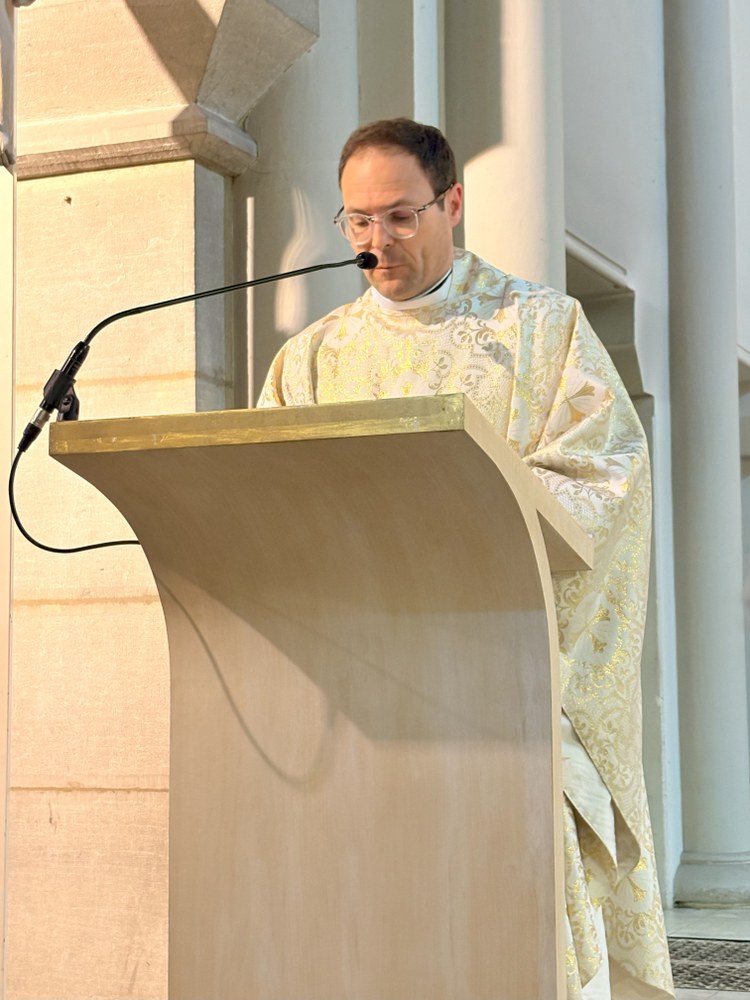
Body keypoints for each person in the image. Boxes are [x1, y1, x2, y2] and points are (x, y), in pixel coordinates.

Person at [258, 117, 674, 1000]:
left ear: (452, 204)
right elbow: (267, 509)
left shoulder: (542, 329)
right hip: (359, 698)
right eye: (358, 220)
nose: (377, 242)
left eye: (400, 216)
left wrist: (460, 525)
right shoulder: (311, 359)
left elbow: (605, 480)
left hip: (498, 685)